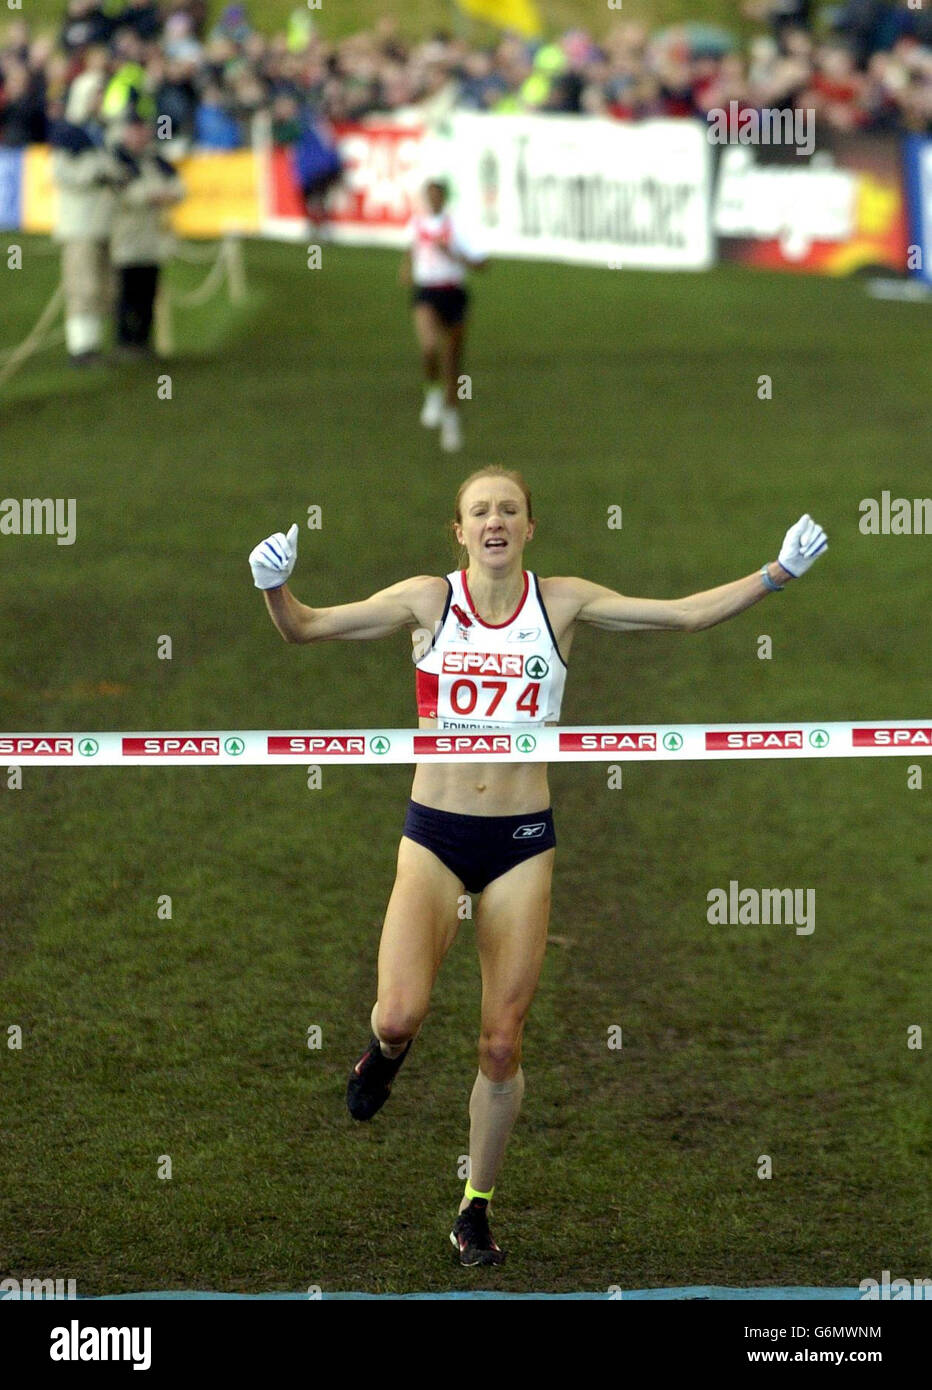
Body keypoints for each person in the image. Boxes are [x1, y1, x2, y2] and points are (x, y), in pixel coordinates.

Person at [248, 466, 828, 1265]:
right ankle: (383, 1059)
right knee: (397, 1015)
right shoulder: (427, 601)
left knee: (498, 1045)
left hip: (521, 842)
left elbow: (685, 616)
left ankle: (474, 1209)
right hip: (434, 838)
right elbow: (305, 628)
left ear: (529, 528)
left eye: (508, 510)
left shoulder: (563, 603)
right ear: (459, 531)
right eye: (479, 510)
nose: (494, 520)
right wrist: (276, 587)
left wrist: (778, 573)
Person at [399, 178, 487, 454]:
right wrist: (406, 267)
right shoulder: (416, 225)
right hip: (426, 293)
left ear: (444, 199)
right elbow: (412, 250)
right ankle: (432, 394)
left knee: (452, 363)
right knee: (428, 348)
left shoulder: (458, 227)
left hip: (453, 294)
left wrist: (453, 254)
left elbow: (482, 263)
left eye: (437, 196)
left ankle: (451, 420)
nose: (433, 201)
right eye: (429, 196)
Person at [109, 113, 184, 357]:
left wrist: (159, 195)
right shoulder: (117, 159)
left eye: (143, 130)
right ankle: (124, 342)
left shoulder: (155, 159)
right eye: (134, 130)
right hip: (125, 237)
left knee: (148, 293)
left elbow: (179, 187)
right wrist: (156, 195)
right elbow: (129, 193)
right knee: (125, 292)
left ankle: (142, 342)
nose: (139, 136)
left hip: (152, 239)